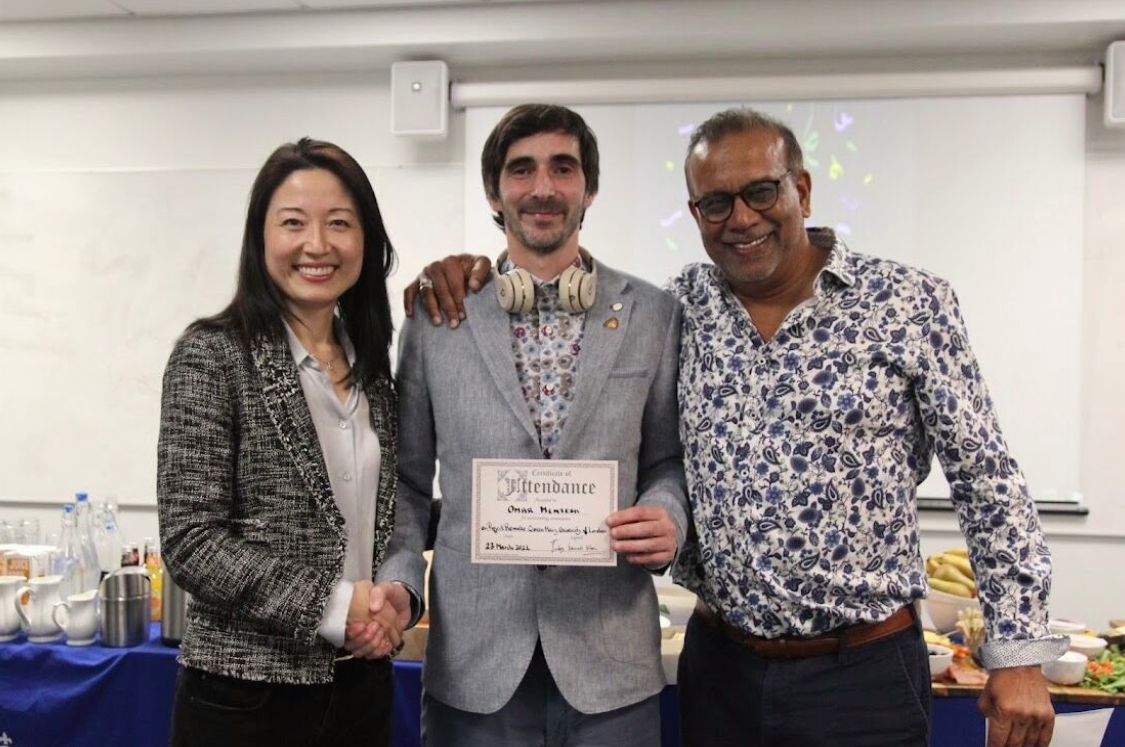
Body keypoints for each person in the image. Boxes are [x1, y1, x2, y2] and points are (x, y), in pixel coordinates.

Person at [409, 107, 1066, 747]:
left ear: (800, 189)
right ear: (695, 215)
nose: (741, 218)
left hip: (859, 674)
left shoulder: (907, 302)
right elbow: (665, 455)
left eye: (760, 191)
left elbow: (986, 477)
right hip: (720, 667)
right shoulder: (682, 307)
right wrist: (459, 271)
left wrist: (1016, 649)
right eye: (716, 202)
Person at [377, 103, 689, 747]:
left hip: (612, 666)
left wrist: (668, 517)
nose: (542, 188)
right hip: (475, 667)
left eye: (562, 168)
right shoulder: (437, 319)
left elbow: (667, 462)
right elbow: (404, 483)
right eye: (521, 170)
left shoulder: (653, 316)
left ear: (589, 189)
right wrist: (402, 582)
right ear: (495, 192)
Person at [157, 137, 411, 747]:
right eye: (293, 223)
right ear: (261, 238)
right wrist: (335, 606)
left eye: (340, 224)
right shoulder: (212, 355)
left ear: (367, 242)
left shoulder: (374, 369)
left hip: (361, 688)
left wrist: (398, 601)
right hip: (245, 698)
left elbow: (390, 515)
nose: (317, 245)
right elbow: (191, 540)